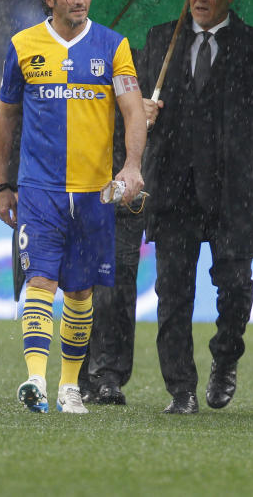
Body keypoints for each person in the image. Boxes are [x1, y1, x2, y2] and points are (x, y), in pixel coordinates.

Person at [0, 0, 146, 415]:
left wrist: (133, 166)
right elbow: (5, 116)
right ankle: (36, 381)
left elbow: (133, 111)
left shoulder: (113, 46)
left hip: (94, 192)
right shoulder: (23, 46)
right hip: (39, 189)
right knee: (40, 279)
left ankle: (70, 386)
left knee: (80, 292)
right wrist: (2, 183)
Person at [140, 0, 253, 414]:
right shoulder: (161, 41)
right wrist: (141, 113)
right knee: (173, 295)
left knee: (237, 287)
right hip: (172, 191)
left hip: (234, 193)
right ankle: (180, 389)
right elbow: (133, 114)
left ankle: (226, 359)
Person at [78, 113, 147, 406]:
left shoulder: (144, 70)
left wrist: (150, 110)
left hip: (127, 188)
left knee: (119, 283)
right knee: (81, 284)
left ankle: (109, 376)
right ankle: (80, 375)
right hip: (82, 179)